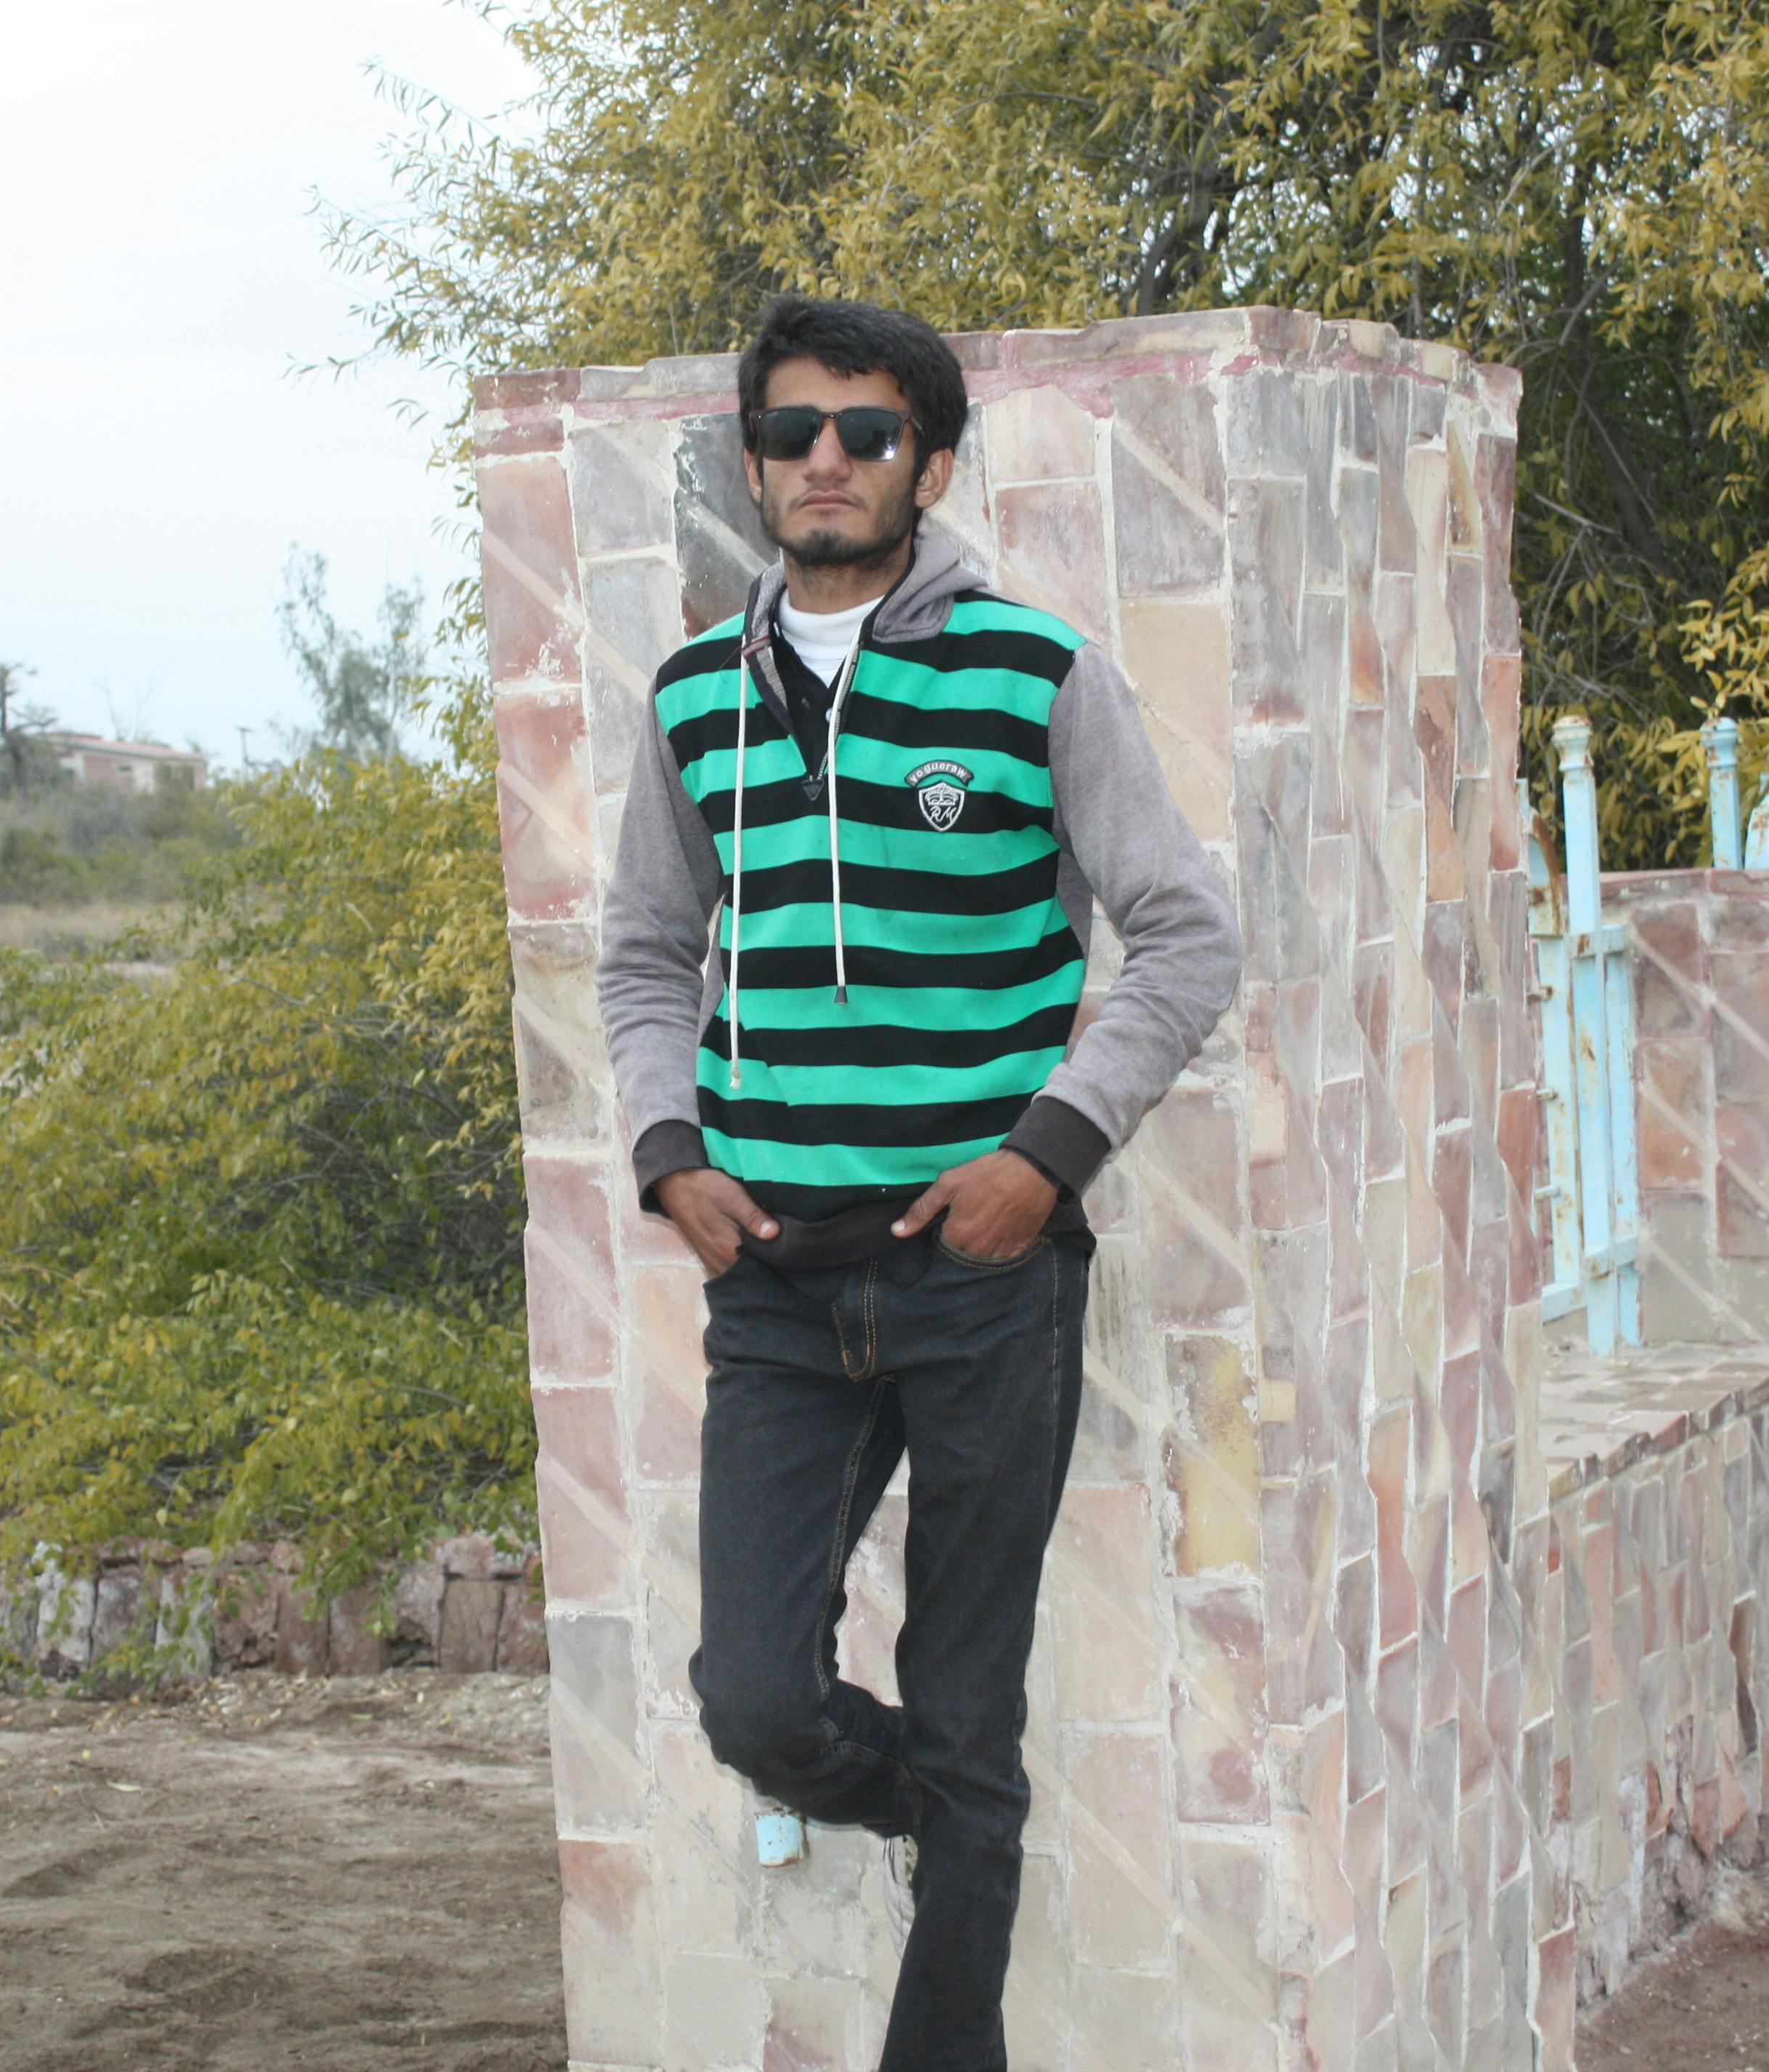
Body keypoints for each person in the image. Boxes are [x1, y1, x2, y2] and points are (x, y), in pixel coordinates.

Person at [596, 295, 1242, 2072]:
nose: (826, 458)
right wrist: (670, 1158)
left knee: (967, 1707)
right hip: (782, 1274)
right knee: (755, 1698)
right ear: (754, 462)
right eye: (794, 429)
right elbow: (649, 950)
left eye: (866, 432)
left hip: (983, 1272)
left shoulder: (1033, 673)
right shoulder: (690, 698)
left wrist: (1049, 1156)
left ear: (928, 462)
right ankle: (956, 1825)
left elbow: (1185, 936)